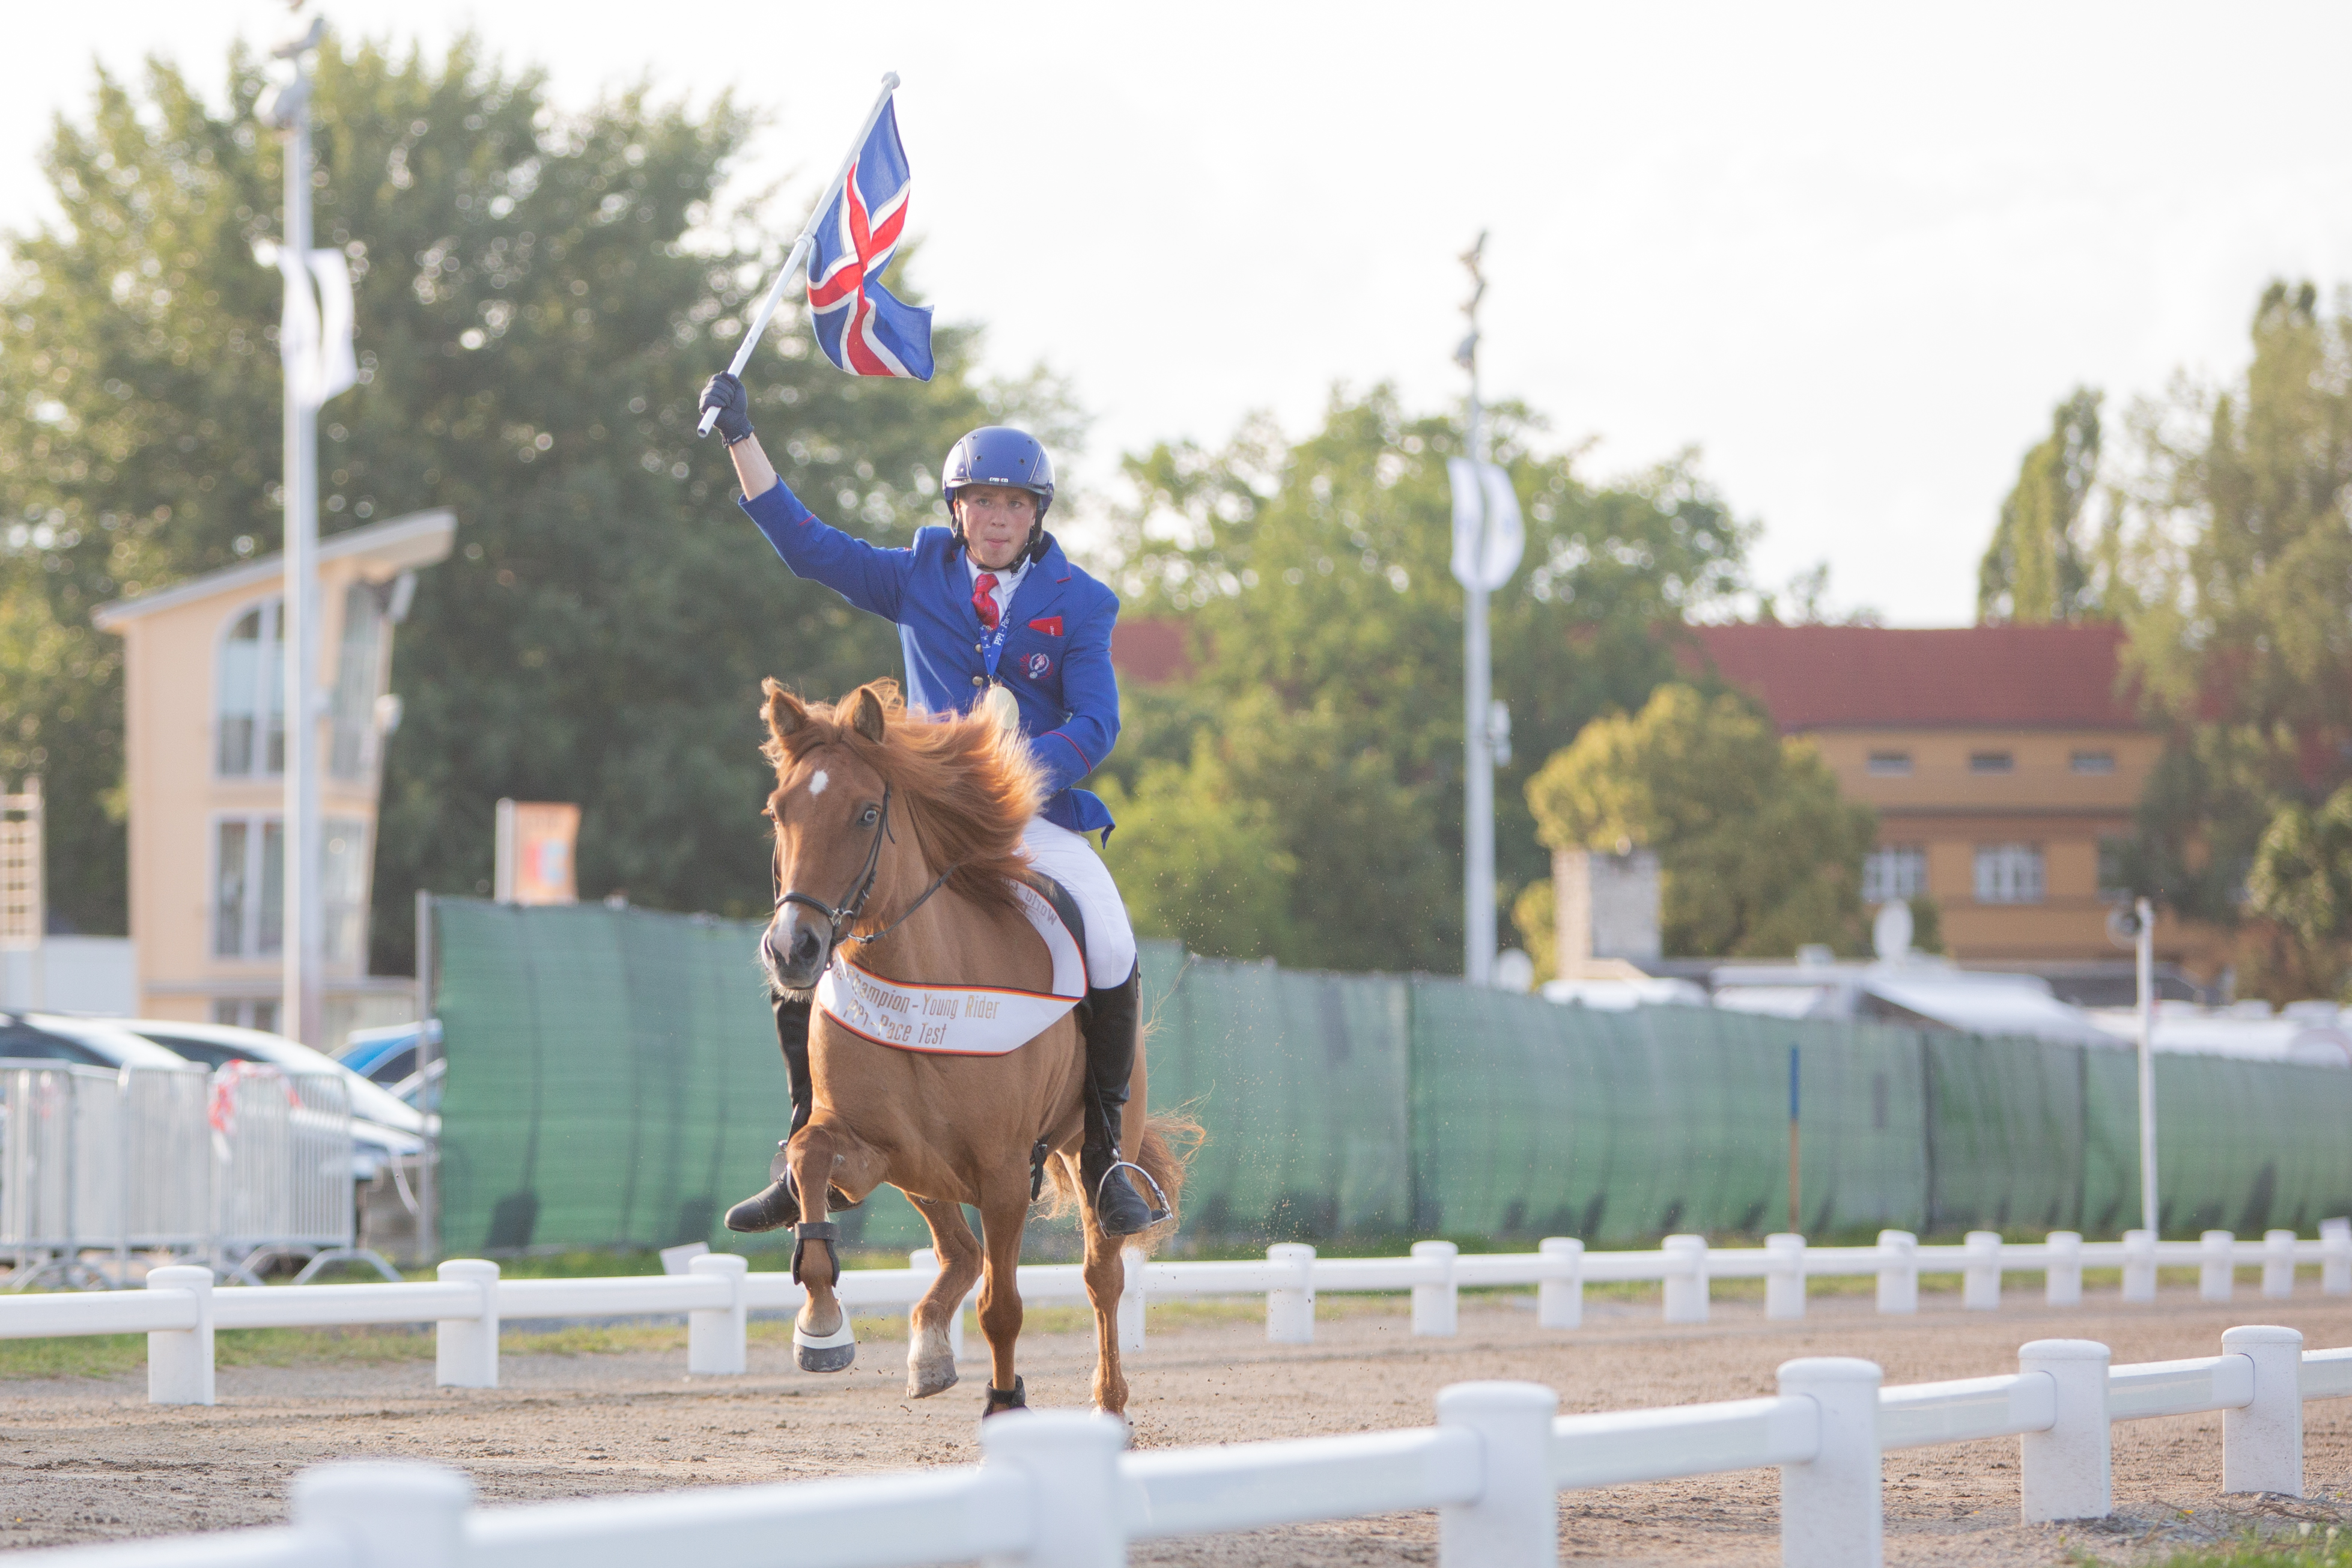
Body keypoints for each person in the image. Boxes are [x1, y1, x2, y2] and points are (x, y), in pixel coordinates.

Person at [697, 371, 1162, 1238]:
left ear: (1037, 517)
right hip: (923, 825)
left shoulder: (1083, 603)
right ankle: (803, 1130)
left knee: (1110, 936)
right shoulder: (917, 575)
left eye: (1014, 504)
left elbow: (1098, 721)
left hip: (1032, 816)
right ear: (957, 511)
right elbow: (809, 547)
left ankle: (1106, 1156)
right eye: (980, 501)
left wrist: (1019, 769)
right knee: (808, 922)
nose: (995, 518)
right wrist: (741, 441)